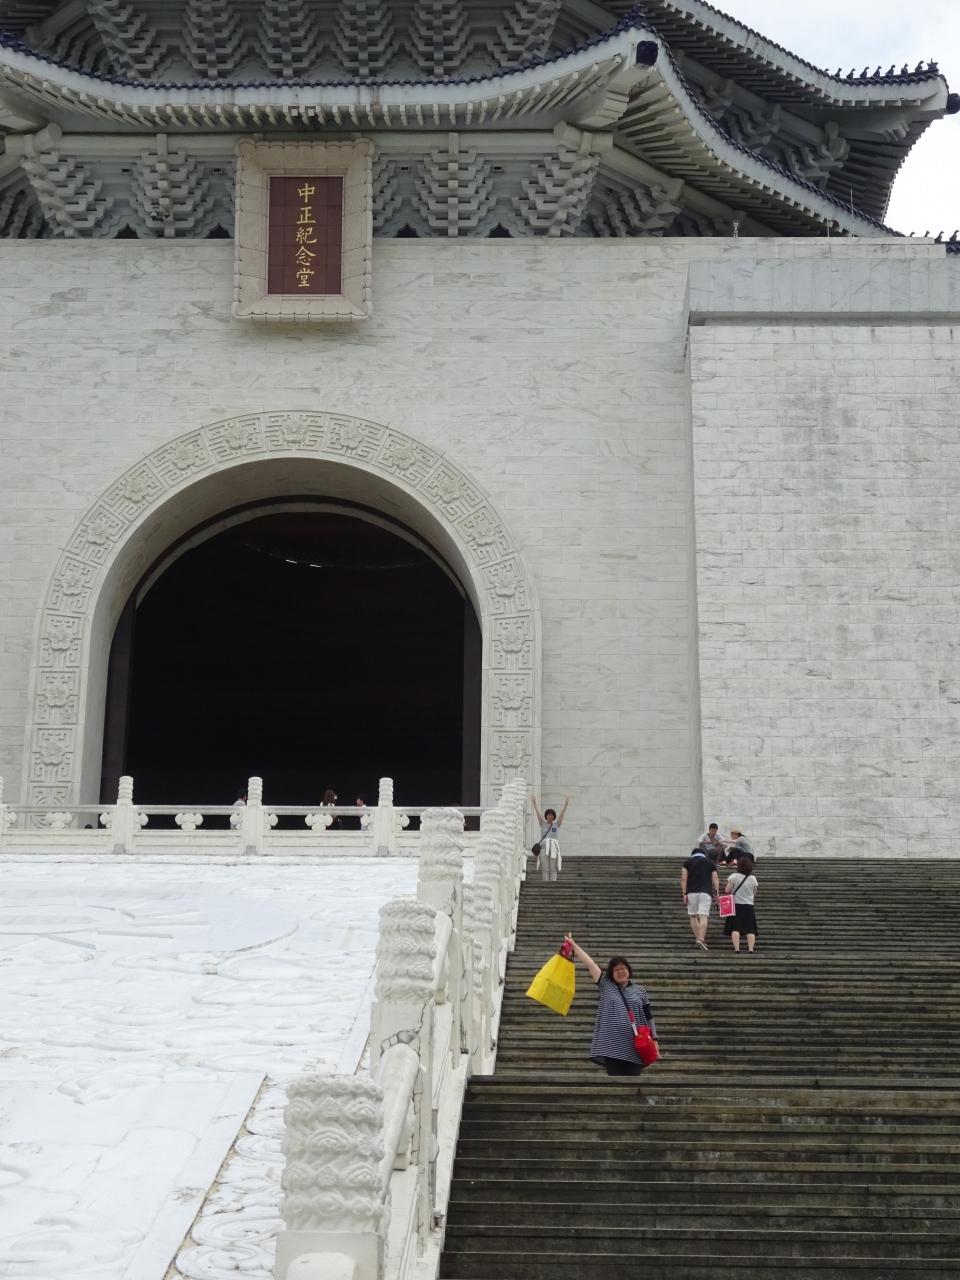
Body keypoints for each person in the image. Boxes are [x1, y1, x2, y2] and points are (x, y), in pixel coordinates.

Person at [564, 934, 659, 1076]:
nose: (621, 972)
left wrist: (655, 1040)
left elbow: (649, 1017)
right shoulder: (606, 985)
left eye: (623, 968)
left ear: (629, 970)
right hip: (612, 1047)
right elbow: (590, 964)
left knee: (633, 1083)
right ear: (611, 973)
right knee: (616, 1082)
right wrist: (574, 945)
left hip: (635, 1046)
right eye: (616, 969)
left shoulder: (640, 991)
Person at [681, 846, 719, 950]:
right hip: (705, 893)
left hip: (691, 893)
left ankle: (698, 938)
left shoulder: (687, 863)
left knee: (693, 916)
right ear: (704, 854)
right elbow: (715, 878)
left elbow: (684, 879)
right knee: (703, 916)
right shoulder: (710, 862)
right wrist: (717, 893)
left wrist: (684, 894)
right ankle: (701, 939)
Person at [529, 794, 569, 882]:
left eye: (551, 815)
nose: (550, 816)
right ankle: (545, 884)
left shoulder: (556, 825)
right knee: (545, 868)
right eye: (548, 815)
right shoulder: (542, 824)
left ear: (553, 817)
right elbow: (538, 814)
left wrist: (566, 804)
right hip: (544, 848)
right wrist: (534, 803)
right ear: (546, 816)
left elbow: (561, 815)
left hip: (554, 848)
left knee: (553, 868)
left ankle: (553, 885)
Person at [723, 856, 759, 953]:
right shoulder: (753, 878)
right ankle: (750, 949)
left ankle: (737, 949)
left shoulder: (734, 876)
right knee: (750, 929)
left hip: (736, 905)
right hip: (749, 905)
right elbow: (754, 892)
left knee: (735, 928)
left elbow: (727, 890)